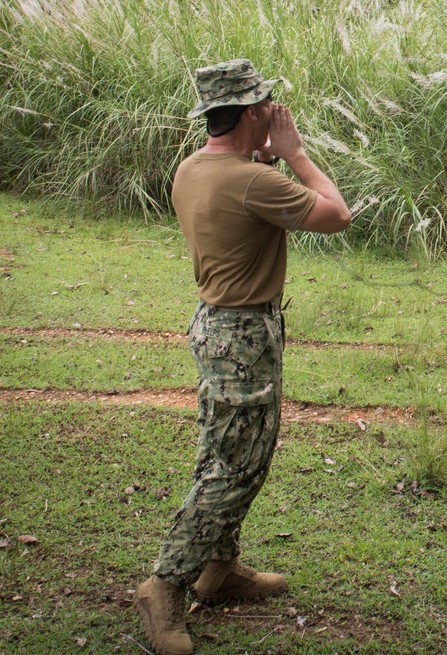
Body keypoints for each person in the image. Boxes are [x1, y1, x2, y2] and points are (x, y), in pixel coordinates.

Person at [134, 59, 351, 655]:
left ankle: (220, 568)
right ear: (252, 113)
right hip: (244, 338)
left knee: (228, 451)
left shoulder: (193, 170)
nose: (276, 114)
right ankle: (166, 583)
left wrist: (264, 157)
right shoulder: (255, 181)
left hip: (215, 326)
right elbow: (337, 215)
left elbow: (241, 199)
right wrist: (297, 153)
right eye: (268, 107)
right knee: (235, 467)